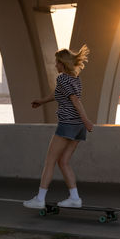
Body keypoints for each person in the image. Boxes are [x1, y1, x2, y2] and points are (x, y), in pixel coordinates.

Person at [23, 45, 93, 209]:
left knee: (50, 161)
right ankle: (75, 198)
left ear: (63, 63)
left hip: (68, 124)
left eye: (57, 62)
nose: (55, 65)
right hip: (77, 127)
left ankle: (40, 199)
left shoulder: (62, 79)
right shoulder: (75, 79)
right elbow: (58, 95)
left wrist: (87, 120)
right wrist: (41, 101)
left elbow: (75, 100)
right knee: (63, 162)